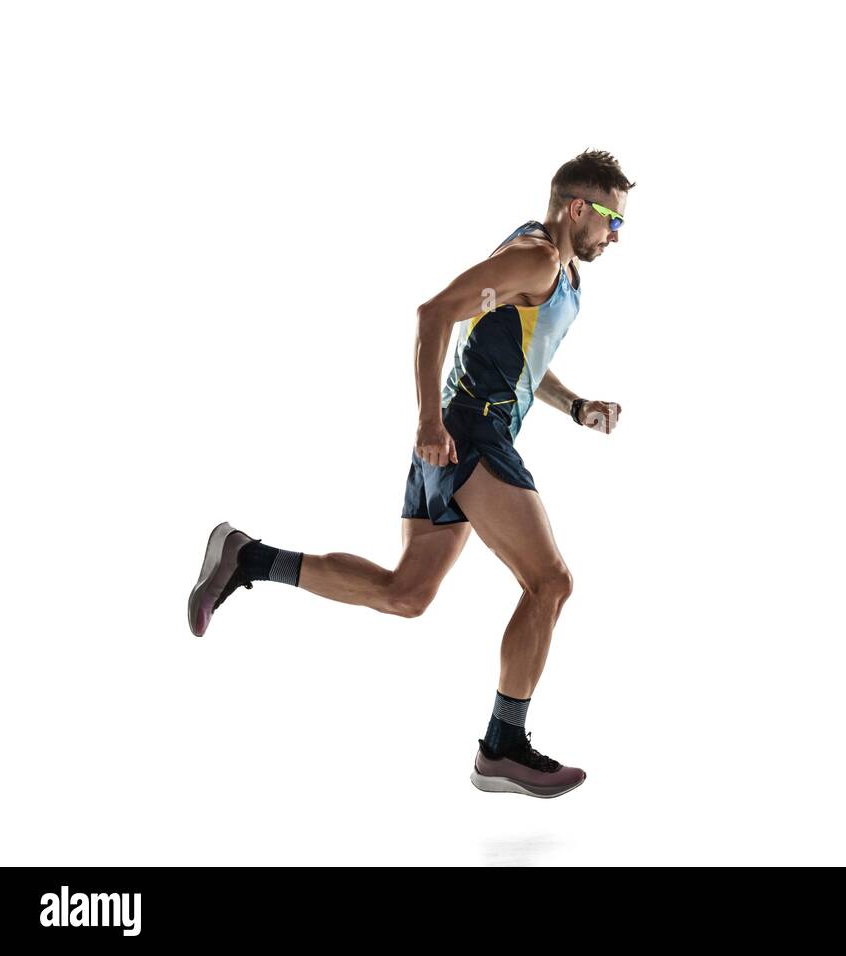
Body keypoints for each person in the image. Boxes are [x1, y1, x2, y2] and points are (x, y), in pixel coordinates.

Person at [186, 149, 634, 798]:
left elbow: (521, 359)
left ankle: (248, 558)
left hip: (459, 435)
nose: (615, 235)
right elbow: (434, 314)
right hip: (470, 435)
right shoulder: (534, 258)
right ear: (576, 208)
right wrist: (431, 421)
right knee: (551, 582)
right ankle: (503, 746)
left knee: (406, 594)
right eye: (610, 220)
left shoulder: (559, 274)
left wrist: (577, 407)